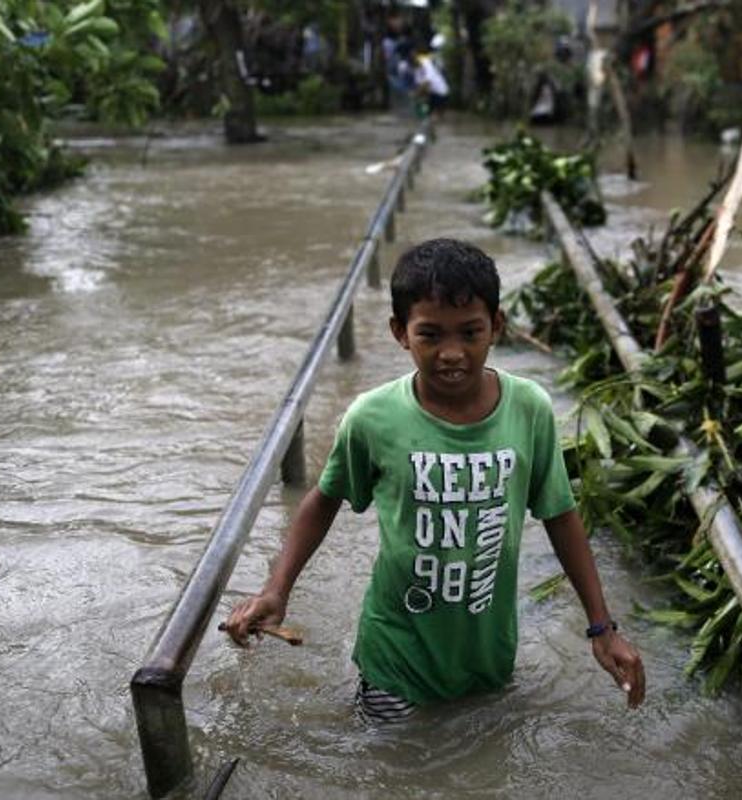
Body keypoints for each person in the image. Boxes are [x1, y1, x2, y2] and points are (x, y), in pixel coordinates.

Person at [224, 238, 645, 721]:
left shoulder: (529, 409)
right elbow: (324, 500)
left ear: (497, 328)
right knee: (394, 768)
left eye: (470, 333)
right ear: (400, 332)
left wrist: (601, 626)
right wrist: (277, 590)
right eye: (430, 335)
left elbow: (560, 514)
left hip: (487, 655)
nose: (451, 353)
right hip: (396, 660)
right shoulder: (373, 417)